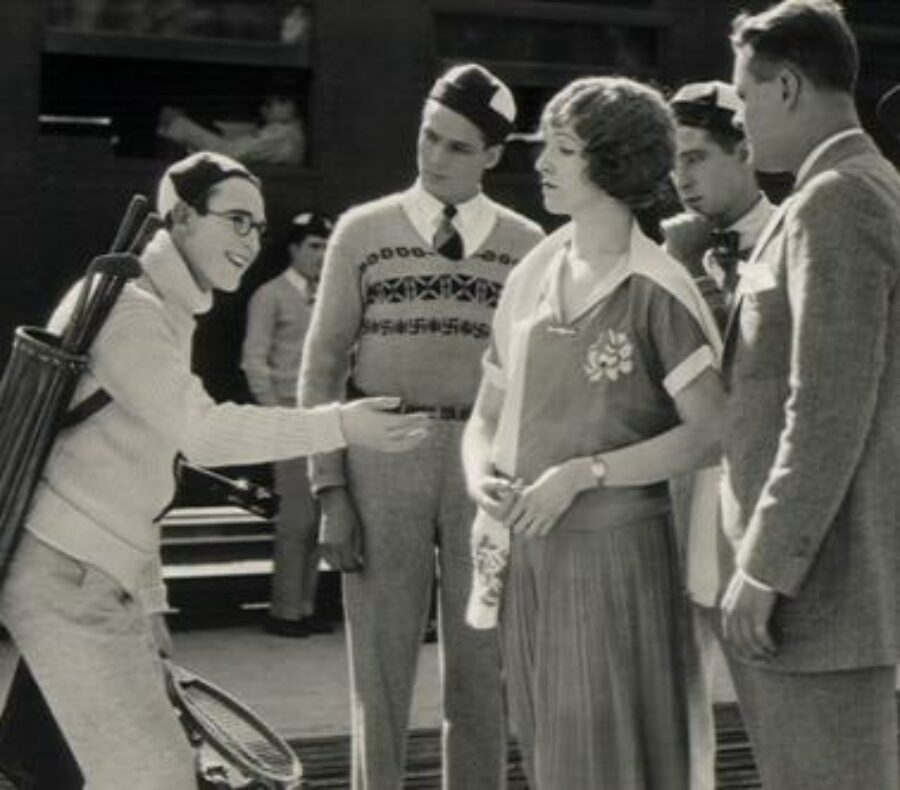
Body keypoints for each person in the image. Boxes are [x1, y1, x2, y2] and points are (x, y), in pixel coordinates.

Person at [0, 151, 429, 790]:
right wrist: (340, 423)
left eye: (257, 227)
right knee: (157, 778)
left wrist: (148, 606)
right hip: (68, 578)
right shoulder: (130, 308)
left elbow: (135, 470)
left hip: (85, 573)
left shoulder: (159, 304)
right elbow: (198, 432)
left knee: (55, 773)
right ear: (180, 217)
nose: (251, 241)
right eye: (235, 220)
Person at [461, 76, 725, 790]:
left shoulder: (657, 288)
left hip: (616, 559)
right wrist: (478, 473)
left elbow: (712, 432)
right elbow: (485, 414)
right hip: (529, 556)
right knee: (550, 758)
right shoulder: (533, 273)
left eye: (564, 148)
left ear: (613, 161)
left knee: (608, 763)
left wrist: (586, 472)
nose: (542, 162)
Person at [299, 63, 544, 789]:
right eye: (429, 138)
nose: (435, 157)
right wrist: (329, 489)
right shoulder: (361, 231)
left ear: (493, 157)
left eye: (458, 147)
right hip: (381, 456)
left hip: (482, 469)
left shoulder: (527, 244)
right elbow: (319, 370)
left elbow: (534, 380)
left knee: (481, 664)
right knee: (379, 666)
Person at [721, 3, 900, 789]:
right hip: (821, 589)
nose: (743, 121)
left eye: (746, 96)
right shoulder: (849, 188)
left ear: (787, 85)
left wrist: (765, 570)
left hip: (818, 595)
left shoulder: (838, 201)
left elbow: (825, 405)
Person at [241, 211, 334, 637]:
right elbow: (254, 359)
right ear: (294, 248)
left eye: (326, 247)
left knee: (317, 517)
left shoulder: (329, 296)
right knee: (295, 517)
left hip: (324, 415)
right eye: (313, 246)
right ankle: (285, 611)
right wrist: (272, 410)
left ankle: (306, 606)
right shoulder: (271, 295)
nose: (321, 255)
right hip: (289, 413)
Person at [663, 80, 775, 329]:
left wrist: (693, 268)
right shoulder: (666, 256)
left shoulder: (789, 239)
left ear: (745, 153)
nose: (681, 180)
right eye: (672, 165)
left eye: (694, 159)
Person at [158, 93, 306, 165]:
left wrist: (179, 124)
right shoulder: (281, 130)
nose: (266, 108)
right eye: (266, 103)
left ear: (293, 106)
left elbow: (230, 153)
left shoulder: (282, 133)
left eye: (281, 101)